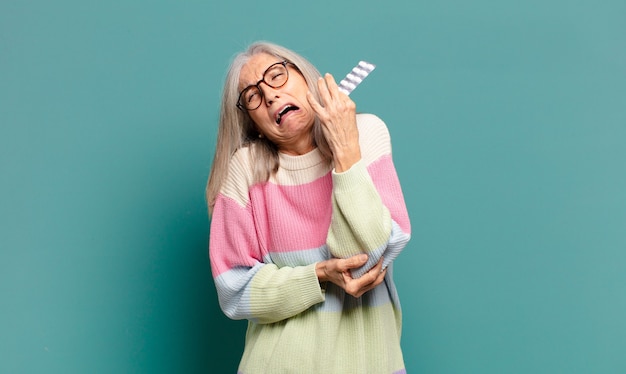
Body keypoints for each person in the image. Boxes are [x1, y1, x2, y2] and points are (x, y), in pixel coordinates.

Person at [206, 41, 411, 374]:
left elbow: (363, 260)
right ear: (253, 122)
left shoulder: (366, 133)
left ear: (306, 78)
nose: (270, 95)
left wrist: (345, 149)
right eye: (253, 96)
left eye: (277, 75)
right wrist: (317, 275)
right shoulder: (244, 169)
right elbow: (234, 290)